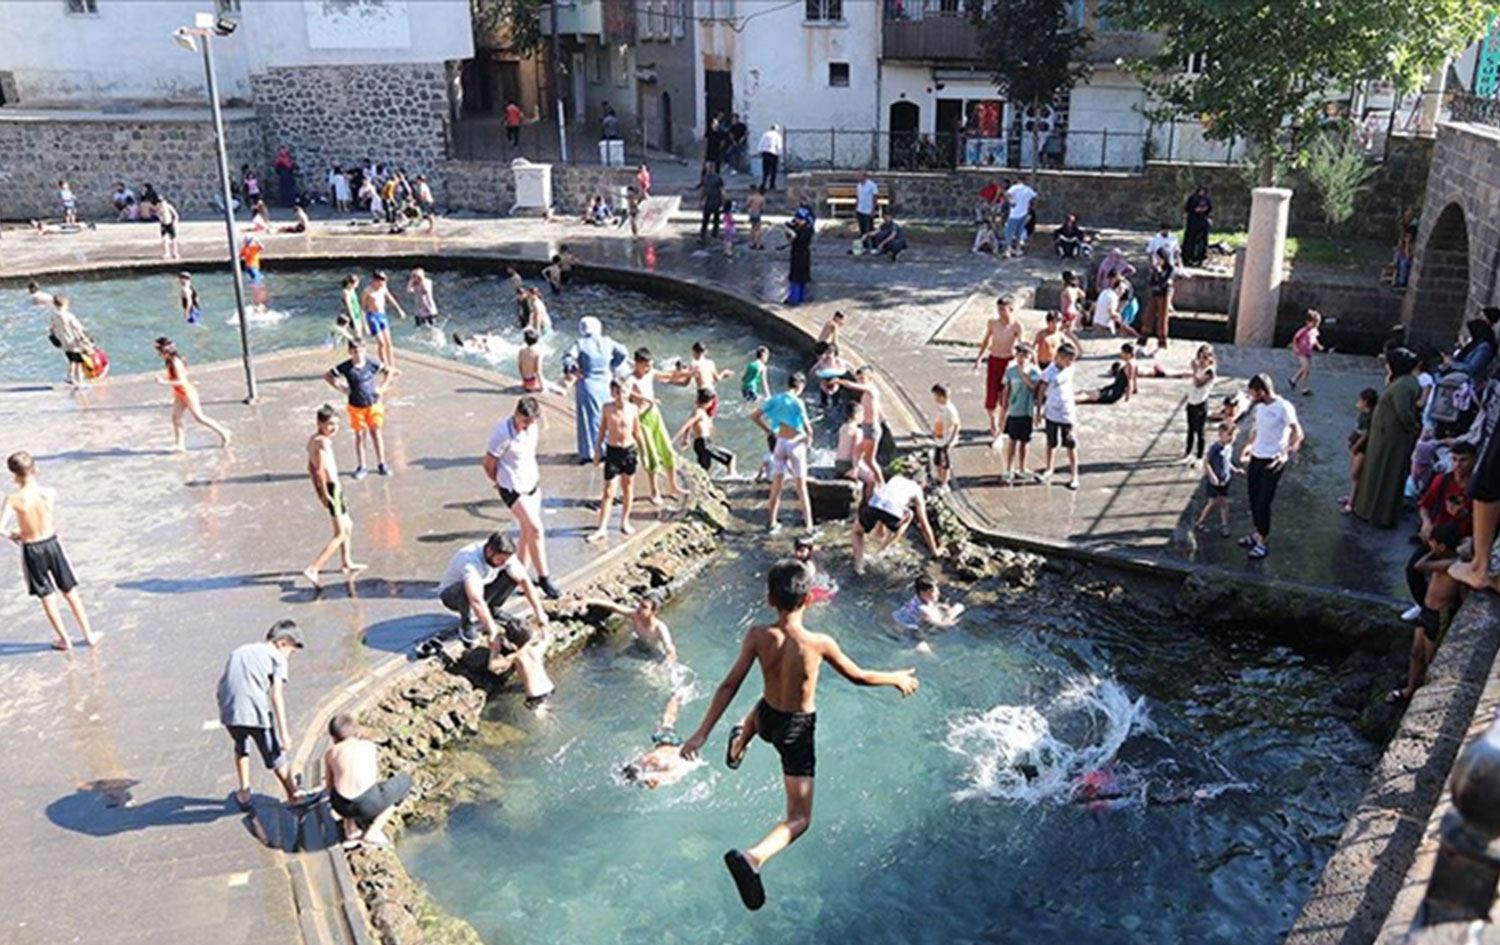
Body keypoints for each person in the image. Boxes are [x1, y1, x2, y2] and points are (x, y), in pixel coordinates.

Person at [678, 560, 919, 911]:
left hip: (768, 718)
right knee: (800, 818)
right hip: (796, 731)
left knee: (761, 710)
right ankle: (753, 858)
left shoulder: (758, 636)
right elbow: (859, 676)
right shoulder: (820, 643)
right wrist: (894, 677)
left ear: (768, 598)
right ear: (809, 600)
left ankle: (739, 740)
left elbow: (730, 684)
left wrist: (700, 734)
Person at [437, 533, 553, 703]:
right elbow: (475, 599)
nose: (503, 563)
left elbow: (525, 581)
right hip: (454, 595)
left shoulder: (516, 656)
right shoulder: (469, 560)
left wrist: (539, 612)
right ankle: (466, 623)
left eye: (506, 560)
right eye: (500, 559)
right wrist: (491, 630)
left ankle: (494, 609)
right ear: (489, 551)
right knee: (466, 590)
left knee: (514, 575)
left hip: (485, 589)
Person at [3, 450, 100, 651]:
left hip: (31, 547)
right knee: (70, 591)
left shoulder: (13, 499)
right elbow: (46, 516)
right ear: (35, 469)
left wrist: (15, 535)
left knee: (47, 595)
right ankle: (88, 634)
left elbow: (0, 528)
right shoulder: (49, 492)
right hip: (52, 543)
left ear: (14, 475)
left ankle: (65, 639)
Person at [216, 620, 306, 810]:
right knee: (275, 756)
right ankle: (294, 795)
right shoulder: (278, 659)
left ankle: (244, 791)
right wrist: (284, 734)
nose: (290, 656)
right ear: (282, 643)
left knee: (241, 746)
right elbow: (277, 696)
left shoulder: (240, 651)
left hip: (229, 709)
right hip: (255, 712)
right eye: (291, 650)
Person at [483, 397, 562, 600]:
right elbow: (489, 463)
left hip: (531, 484)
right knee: (536, 529)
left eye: (531, 422)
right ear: (516, 414)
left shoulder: (532, 428)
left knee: (527, 532)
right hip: (512, 488)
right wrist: (499, 481)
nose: (527, 426)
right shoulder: (502, 433)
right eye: (524, 421)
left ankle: (517, 575)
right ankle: (544, 577)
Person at [1391, 521, 1465, 704]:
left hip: (1438, 615)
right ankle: (1410, 687)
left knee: (1432, 658)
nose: (1428, 545)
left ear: (1441, 546)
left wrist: (1431, 551)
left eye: (1432, 543)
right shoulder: (1443, 560)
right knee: (1416, 652)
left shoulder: (1449, 564)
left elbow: (1419, 566)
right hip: (1427, 610)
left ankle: (1427, 692)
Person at [1354, 349, 1424, 528]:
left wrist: (1412, 427)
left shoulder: (1402, 385)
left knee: (1383, 472)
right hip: (1386, 435)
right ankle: (1370, 509)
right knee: (1380, 471)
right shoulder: (1404, 382)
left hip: (1390, 439)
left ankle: (1375, 512)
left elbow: (1404, 412)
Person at [1238, 374, 1304, 560]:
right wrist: (1248, 447)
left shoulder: (1284, 407)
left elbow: (1298, 432)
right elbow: (1256, 431)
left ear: (1262, 392)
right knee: (1253, 498)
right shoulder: (1260, 408)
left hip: (1273, 461)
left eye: (1253, 393)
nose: (1251, 397)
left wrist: (1287, 452)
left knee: (1263, 502)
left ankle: (1262, 542)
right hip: (1257, 457)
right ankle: (1257, 533)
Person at [323, 714, 412, 848]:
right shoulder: (368, 746)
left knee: (342, 786)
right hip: (368, 804)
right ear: (355, 731)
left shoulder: (331, 753)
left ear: (333, 736)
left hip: (340, 806)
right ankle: (373, 831)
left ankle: (350, 829)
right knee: (405, 782)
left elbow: (329, 786)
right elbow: (372, 779)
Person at [753, 372, 816, 536]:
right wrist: (808, 442)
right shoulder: (798, 402)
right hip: (795, 445)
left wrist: (769, 431)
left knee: (776, 486)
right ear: (800, 386)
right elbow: (809, 430)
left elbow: (754, 416)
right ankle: (809, 527)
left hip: (780, 443)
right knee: (801, 488)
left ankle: (772, 523)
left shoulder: (775, 399)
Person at [562, 317, 630, 463]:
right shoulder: (608, 341)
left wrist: (574, 369)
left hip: (587, 383)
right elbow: (624, 353)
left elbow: (568, 358)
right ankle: (607, 449)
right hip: (606, 383)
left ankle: (589, 453)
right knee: (606, 417)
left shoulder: (580, 343)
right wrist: (612, 364)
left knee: (588, 419)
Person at [324, 339, 393, 479]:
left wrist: (383, 388)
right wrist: (342, 389)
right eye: (355, 352)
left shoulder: (371, 363)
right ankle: (362, 466)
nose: (358, 354)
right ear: (350, 352)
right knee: (360, 436)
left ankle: (382, 463)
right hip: (356, 406)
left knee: (376, 433)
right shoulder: (346, 366)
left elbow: (389, 371)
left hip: (373, 404)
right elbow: (328, 376)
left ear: (365, 350)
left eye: (361, 351)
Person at [852, 472, 945, 574]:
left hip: (874, 504)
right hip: (893, 513)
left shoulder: (896, 478)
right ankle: (882, 551)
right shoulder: (917, 490)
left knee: (857, 532)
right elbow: (924, 525)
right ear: (923, 484)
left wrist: (880, 527)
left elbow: (884, 499)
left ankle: (859, 566)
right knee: (909, 514)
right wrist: (935, 551)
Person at [588, 379, 646, 542]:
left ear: (629, 393)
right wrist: (597, 450)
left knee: (628, 488)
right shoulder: (607, 408)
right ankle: (602, 528)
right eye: (617, 392)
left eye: (624, 392)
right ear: (612, 393)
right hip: (613, 451)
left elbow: (637, 432)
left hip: (629, 451)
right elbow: (602, 431)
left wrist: (644, 451)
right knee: (608, 492)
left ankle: (624, 521)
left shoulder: (633, 409)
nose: (621, 396)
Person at [627, 348, 686, 502]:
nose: (648, 368)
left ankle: (673, 486)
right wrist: (645, 399)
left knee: (668, 450)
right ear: (637, 364)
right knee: (651, 455)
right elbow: (625, 392)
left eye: (650, 365)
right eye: (645, 365)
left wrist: (688, 374)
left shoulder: (650, 372)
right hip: (641, 418)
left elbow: (667, 376)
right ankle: (655, 491)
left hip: (655, 415)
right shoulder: (631, 379)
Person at [154, 338, 231, 450]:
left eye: (159, 351)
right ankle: (180, 445)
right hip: (179, 393)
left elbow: (182, 381)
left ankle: (224, 432)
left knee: (199, 417)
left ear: (164, 351)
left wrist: (163, 382)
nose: (158, 354)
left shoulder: (175, 362)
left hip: (187, 393)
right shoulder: (169, 361)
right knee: (176, 418)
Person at [828, 366, 886, 487]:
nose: (860, 381)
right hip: (868, 426)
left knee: (869, 460)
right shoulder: (869, 393)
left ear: (870, 377)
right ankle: (862, 474)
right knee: (861, 457)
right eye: (858, 378)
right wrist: (881, 419)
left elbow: (851, 385)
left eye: (862, 378)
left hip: (870, 428)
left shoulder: (871, 389)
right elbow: (879, 409)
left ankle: (881, 483)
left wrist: (839, 381)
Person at [974, 296, 1023, 438]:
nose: (1000, 312)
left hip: (1008, 362)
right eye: (999, 309)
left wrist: (1022, 363)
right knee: (991, 394)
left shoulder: (1016, 326)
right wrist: (979, 358)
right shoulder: (993, 323)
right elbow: (986, 340)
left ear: (1011, 310)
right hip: (994, 360)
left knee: (1006, 397)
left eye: (1003, 309)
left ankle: (1002, 424)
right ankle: (993, 421)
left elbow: (1021, 345)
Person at [1035, 344, 1082, 490]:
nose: (1070, 363)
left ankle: (1074, 475)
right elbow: (1041, 392)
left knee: (1070, 443)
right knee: (1051, 442)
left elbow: (1080, 352)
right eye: (1068, 360)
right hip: (1052, 412)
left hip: (1067, 413)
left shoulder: (1070, 368)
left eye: (1072, 360)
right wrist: (1038, 412)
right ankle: (1049, 467)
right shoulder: (1049, 372)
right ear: (1059, 357)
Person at [586, 592, 677, 662]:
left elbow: (669, 646)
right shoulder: (635, 616)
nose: (639, 608)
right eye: (640, 605)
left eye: (644, 607)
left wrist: (670, 657)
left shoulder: (660, 627)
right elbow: (614, 607)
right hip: (638, 646)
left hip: (654, 653)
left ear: (653, 611)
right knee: (615, 659)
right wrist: (589, 600)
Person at [997, 343, 1041, 484]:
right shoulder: (1010, 371)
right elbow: (1006, 390)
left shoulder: (1034, 372)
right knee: (1012, 441)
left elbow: (1033, 386)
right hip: (1014, 411)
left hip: (1027, 412)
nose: (1022, 359)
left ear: (1030, 357)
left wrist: (1023, 373)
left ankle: (1022, 467)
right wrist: (1003, 411)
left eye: (1025, 356)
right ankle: (1008, 469)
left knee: (1025, 442)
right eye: (1020, 355)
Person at [675, 388, 738, 478]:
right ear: (710, 402)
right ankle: (732, 478)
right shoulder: (699, 412)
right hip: (704, 443)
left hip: (701, 443)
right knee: (730, 458)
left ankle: (698, 480)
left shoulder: (697, 411)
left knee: (704, 468)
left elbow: (689, 426)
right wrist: (675, 438)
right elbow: (687, 424)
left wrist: (686, 438)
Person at [1194, 423, 1239, 537]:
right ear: (1221, 434)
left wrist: (1234, 469)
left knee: (1223, 502)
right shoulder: (1216, 447)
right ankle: (1201, 522)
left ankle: (1224, 525)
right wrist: (1212, 476)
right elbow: (1206, 462)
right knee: (1213, 502)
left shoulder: (1229, 447)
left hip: (1225, 480)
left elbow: (1227, 462)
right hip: (1215, 481)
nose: (1231, 438)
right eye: (1229, 435)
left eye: (1233, 435)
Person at [1340, 388, 1379, 514]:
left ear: (1365, 402)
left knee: (1356, 474)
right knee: (1354, 474)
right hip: (1357, 447)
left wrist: (1356, 445)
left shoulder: (1368, 417)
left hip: (1361, 448)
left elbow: (1365, 435)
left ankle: (1352, 503)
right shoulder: (1364, 415)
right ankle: (1351, 497)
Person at [360, 271, 406, 368]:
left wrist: (399, 310)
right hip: (372, 317)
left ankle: (392, 365)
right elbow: (362, 309)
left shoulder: (383, 288)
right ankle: (385, 366)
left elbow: (390, 298)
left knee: (389, 343)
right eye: (381, 282)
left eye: (384, 282)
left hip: (382, 316)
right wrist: (365, 325)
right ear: (375, 281)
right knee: (381, 343)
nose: (383, 284)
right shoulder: (367, 291)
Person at [49, 295, 93, 388]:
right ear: (66, 304)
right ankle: (80, 383)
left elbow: (52, 329)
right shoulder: (69, 316)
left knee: (72, 360)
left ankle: (70, 376)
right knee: (79, 362)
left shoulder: (53, 316)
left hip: (64, 343)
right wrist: (85, 337)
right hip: (73, 342)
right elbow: (78, 328)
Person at [892, 575, 965, 629]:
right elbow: (941, 624)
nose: (938, 593)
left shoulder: (918, 598)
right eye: (933, 591)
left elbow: (931, 606)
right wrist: (955, 613)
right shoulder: (923, 609)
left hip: (898, 617)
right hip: (906, 628)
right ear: (923, 593)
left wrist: (940, 606)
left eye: (937, 589)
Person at [930, 383, 960, 495]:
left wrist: (951, 441)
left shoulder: (950, 409)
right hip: (939, 439)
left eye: (936, 396)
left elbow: (957, 425)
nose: (935, 399)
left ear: (943, 397)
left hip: (946, 440)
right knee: (937, 461)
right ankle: (939, 480)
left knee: (945, 462)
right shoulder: (940, 407)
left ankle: (945, 483)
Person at [1289, 310, 1325, 396]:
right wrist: (1295, 347)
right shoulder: (1303, 331)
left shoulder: (1314, 330)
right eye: (1314, 323)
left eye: (1317, 323)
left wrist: (1318, 345)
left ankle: (1293, 380)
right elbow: (1295, 338)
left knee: (1304, 368)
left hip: (1308, 351)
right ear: (1308, 322)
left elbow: (1314, 339)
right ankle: (1304, 388)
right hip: (1301, 352)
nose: (1315, 325)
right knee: (1306, 369)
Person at [1146, 248, 1175, 349]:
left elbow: (1163, 282)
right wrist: (1156, 275)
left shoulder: (1170, 269)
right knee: (1148, 316)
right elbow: (1151, 282)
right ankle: (1142, 341)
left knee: (1162, 319)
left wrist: (1158, 273)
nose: (1157, 260)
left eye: (1159, 258)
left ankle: (1162, 343)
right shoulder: (1155, 268)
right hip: (1155, 294)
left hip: (1164, 295)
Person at [785, 207, 815, 304]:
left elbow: (798, 239)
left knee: (798, 278)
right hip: (797, 254)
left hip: (802, 255)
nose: (797, 221)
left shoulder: (807, 230)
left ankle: (796, 298)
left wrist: (793, 235)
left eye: (799, 219)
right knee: (798, 277)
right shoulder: (800, 227)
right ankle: (797, 297)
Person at [1003, 178, 1037, 256]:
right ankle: (1018, 249)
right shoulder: (1028, 189)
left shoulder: (1014, 187)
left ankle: (1008, 250)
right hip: (1024, 213)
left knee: (1009, 231)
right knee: (1019, 232)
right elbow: (1034, 196)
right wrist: (1028, 204)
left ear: (1018, 181)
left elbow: (1006, 194)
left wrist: (1011, 202)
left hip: (1014, 214)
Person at [1183, 186, 1213, 267]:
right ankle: (1188, 258)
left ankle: (1200, 258)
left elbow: (1209, 209)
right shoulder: (1193, 198)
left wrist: (1205, 210)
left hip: (1202, 223)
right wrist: (1195, 210)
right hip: (1193, 222)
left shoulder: (1206, 199)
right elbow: (1188, 208)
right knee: (1191, 241)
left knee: (1202, 242)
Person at [240, 234, 269, 312]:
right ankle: (259, 303)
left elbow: (240, 256)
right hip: (254, 267)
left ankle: (258, 303)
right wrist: (257, 240)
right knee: (258, 284)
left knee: (256, 282)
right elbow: (262, 247)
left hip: (248, 267)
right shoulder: (253, 247)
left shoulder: (245, 248)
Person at [698, 162, 724, 243]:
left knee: (716, 219)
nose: (709, 169)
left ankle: (715, 234)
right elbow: (702, 189)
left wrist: (723, 202)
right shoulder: (705, 178)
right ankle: (702, 235)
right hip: (708, 201)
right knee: (705, 219)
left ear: (713, 168)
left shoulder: (718, 178)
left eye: (710, 168)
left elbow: (722, 190)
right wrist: (700, 200)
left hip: (716, 200)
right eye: (707, 168)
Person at [758, 123, 783, 191]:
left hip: (765, 153)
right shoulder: (778, 136)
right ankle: (772, 185)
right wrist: (780, 154)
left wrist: (760, 151)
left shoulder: (765, 134)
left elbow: (761, 144)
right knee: (773, 170)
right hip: (773, 154)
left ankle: (763, 183)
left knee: (765, 170)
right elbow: (779, 146)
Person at [855, 172, 879, 241]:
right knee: (862, 229)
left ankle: (873, 245)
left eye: (859, 176)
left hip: (868, 210)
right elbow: (858, 197)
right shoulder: (859, 185)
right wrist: (856, 208)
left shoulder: (872, 185)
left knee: (869, 229)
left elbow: (874, 198)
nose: (858, 178)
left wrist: (873, 210)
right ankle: (863, 245)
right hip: (860, 209)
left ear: (864, 177)